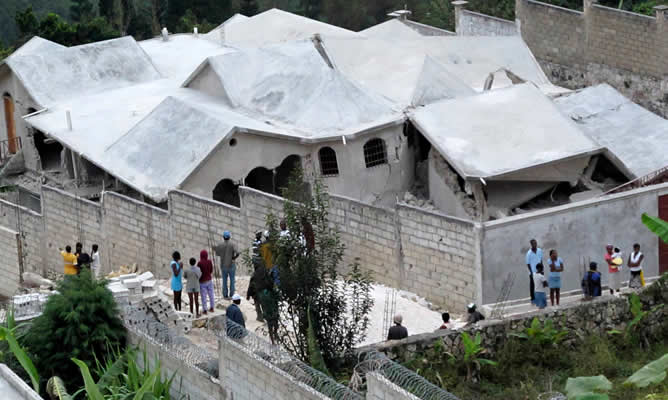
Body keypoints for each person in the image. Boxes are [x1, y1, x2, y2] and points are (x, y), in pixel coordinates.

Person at [214, 231, 239, 299]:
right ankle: (231, 295)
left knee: (224, 281)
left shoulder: (220, 245)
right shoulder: (233, 244)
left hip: (223, 265)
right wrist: (234, 258)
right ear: (229, 237)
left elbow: (217, 254)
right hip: (231, 265)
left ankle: (225, 295)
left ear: (223, 237)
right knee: (232, 280)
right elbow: (238, 253)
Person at [525, 239, 543, 306]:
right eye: (534, 244)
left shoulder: (539, 251)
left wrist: (542, 269)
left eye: (536, 243)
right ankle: (533, 299)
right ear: (531, 244)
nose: (535, 244)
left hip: (539, 271)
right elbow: (528, 264)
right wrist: (531, 272)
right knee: (533, 286)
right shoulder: (529, 253)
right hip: (533, 272)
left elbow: (541, 260)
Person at [197, 250, 215, 314]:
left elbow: (198, 272)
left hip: (202, 281)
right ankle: (212, 307)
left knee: (203, 296)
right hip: (209, 280)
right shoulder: (209, 261)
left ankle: (205, 310)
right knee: (211, 295)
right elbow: (211, 270)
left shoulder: (199, 263)